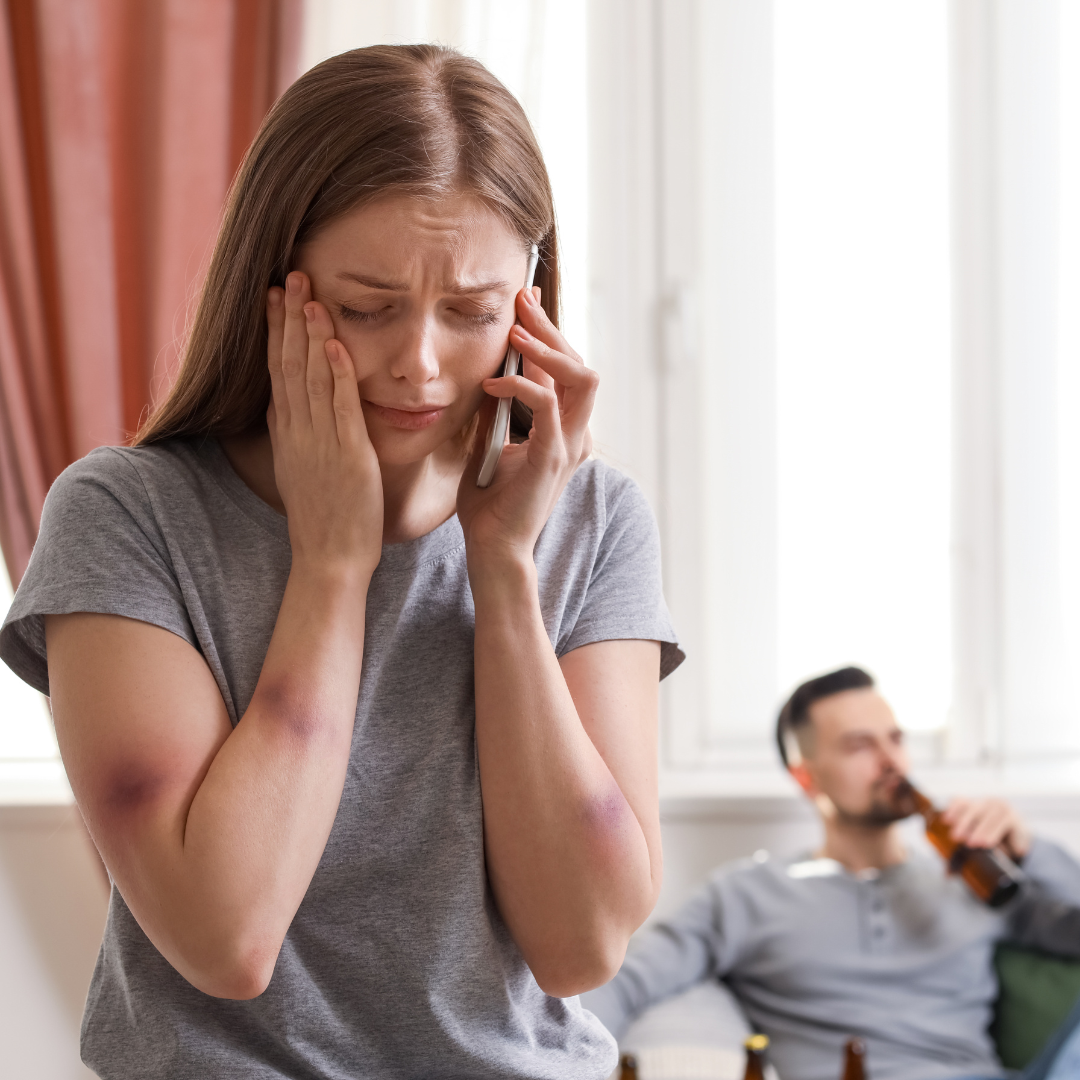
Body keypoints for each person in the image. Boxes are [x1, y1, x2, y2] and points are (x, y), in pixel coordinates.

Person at [0, 45, 683, 1079]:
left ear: (531, 305)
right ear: (275, 286)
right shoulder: (128, 516)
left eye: (473, 311)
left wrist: (504, 569)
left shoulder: (593, 519)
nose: (420, 364)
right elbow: (225, 937)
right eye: (367, 307)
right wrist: (330, 564)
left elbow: (581, 944)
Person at [582, 667, 1080, 1080]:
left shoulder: (972, 881)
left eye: (896, 739)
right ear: (807, 775)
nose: (891, 762)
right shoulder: (746, 894)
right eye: (860, 746)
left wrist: (1030, 848)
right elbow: (625, 981)